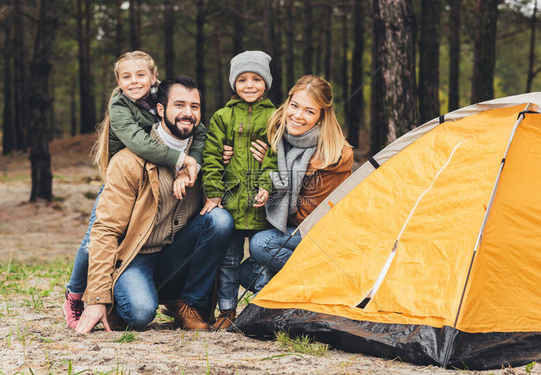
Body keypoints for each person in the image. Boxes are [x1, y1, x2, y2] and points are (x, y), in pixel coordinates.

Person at [73, 76, 234, 333]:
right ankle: (120, 297)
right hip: (137, 256)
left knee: (220, 220)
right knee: (139, 314)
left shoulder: (206, 156)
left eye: (194, 107)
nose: (188, 113)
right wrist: (97, 298)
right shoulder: (129, 161)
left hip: (177, 255)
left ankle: (189, 305)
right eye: (179, 105)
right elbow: (105, 231)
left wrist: (250, 155)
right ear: (160, 110)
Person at [246, 74, 354, 290]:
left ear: (321, 117)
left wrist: (302, 172)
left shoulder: (332, 154)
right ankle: (292, 296)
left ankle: (325, 281)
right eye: (294, 105)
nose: (297, 115)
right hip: (295, 232)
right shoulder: (280, 138)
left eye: (309, 111)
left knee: (261, 245)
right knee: (245, 272)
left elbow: (310, 220)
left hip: (323, 235)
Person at [200, 51, 277, 330]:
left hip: (260, 203)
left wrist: (267, 187)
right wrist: (214, 193)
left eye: (256, 79)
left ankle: (262, 310)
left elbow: (275, 157)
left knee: (261, 260)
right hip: (232, 201)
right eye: (242, 79)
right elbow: (211, 157)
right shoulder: (222, 116)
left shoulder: (275, 116)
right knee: (229, 260)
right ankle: (227, 311)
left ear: (266, 83)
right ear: (234, 84)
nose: (249, 85)